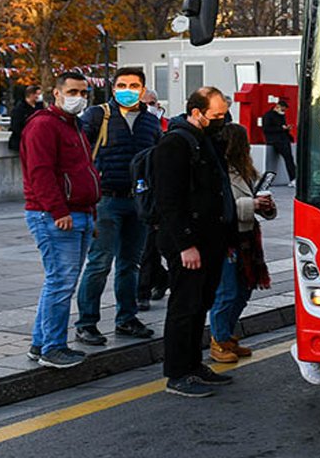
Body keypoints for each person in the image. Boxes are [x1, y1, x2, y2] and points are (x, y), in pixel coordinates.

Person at [153, 87, 236, 397]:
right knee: (184, 306)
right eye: (217, 115)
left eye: (224, 114)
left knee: (201, 303)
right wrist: (185, 243)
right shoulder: (175, 143)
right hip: (187, 242)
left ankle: (194, 364)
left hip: (211, 238)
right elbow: (169, 200)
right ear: (197, 112)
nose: (223, 120)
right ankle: (177, 373)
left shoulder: (207, 140)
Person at [73, 68, 163, 346]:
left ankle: (127, 318)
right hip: (106, 200)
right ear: (112, 89)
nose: (127, 89)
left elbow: (156, 161)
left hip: (137, 201)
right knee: (99, 263)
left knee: (130, 264)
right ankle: (86, 323)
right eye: (122, 85)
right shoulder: (97, 116)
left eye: (134, 85)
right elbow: (77, 153)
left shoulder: (150, 122)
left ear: (142, 89)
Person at [20, 71, 100, 369]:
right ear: (56, 93)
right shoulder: (44, 125)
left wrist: (90, 214)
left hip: (79, 213)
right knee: (61, 282)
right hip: (54, 215)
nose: (78, 97)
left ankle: (41, 343)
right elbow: (40, 174)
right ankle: (52, 347)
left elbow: (84, 170)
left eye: (83, 92)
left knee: (61, 282)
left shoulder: (73, 125)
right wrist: (59, 212)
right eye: (73, 91)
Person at [208, 124, 275, 363]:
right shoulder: (218, 172)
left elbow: (251, 202)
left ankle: (226, 335)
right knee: (226, 291)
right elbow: (218, 208)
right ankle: (218, 339)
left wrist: (266, 207)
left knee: (244, 290)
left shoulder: (245, 170)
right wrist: (252, 205)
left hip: (247, 236)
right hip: (227, 238)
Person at [137, 88, 169, 311]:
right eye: (147, 102)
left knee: (149, 247)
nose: (152, 106)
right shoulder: (135, 126)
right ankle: (160, 279)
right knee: (141, 249)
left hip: (154, 193)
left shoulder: (163, 125)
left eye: (154, 102)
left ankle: (142, 292)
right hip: (134, 190)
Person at [261, 99, 297, 187]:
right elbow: (266, 129)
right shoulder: (268, 116)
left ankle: (293, 178)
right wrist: (282, 129)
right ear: (277, 107)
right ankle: (292, 178)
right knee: (288, 160)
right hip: (276, 141)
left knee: (289, 160)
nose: (284, 111)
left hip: (280, 140)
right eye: (283, 109)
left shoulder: (279, 116)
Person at [7, 84, 44, 151]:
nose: (39, 97)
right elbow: (16, 126)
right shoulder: (19, 109)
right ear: (31, 95)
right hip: (22, 142)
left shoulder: (39, 107)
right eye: (37, 94)